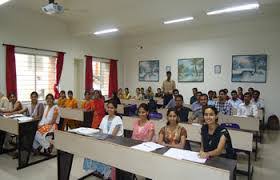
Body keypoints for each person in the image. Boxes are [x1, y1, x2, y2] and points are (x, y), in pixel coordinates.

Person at [83, 101, 123, 179]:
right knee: (90, 150)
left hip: (113, 143)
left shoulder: (118, 119)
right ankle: (100, 170)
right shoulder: (104, 118)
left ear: (115, 109)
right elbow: (100, 131)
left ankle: (107, 173)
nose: (110, 109)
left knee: (103, 152)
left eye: (112, 108)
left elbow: (113, 135)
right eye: (108, 107)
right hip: (104, 141)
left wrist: (102, 139)